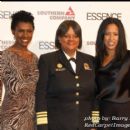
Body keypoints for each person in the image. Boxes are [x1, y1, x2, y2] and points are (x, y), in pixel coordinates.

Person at [35, 20, 98, 130]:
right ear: (59, 38)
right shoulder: (47, 60)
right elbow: (41, 95)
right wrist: (42, 126)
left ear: (79, 39)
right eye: (66, 36)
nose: (71, 40)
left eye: (75, 36)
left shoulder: (90, 60)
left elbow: (95, 96)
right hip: (57, 125)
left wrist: (95, 123)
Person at [0, 10, 39, 130]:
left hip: (32, 121)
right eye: (21, 31)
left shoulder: (35, 58)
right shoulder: (3, 56)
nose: (25, 35)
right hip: (11, 121)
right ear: (13, 31)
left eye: (29, 31)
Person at [95, 17, 130, 130]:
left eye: (115, 34)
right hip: (102, 114)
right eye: (107, 34)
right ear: (102, 36)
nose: (111, 38)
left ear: (121, 37)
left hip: (124, 113)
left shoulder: (128, 58)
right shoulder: (94, 61)